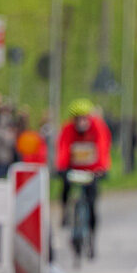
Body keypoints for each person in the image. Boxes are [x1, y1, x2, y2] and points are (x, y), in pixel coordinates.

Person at [56, 98, 112, 258]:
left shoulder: (98, 128)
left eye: (83, 118)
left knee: (93, 204)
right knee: (65, 187)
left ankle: (92, 239)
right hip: (74, 169)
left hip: (92, 171)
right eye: (77, 119)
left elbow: (102, 148)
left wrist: (102, 169)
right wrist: (61, 168)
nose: (80, 122)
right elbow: (63, 148)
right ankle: (65, 211)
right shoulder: (67, 129)